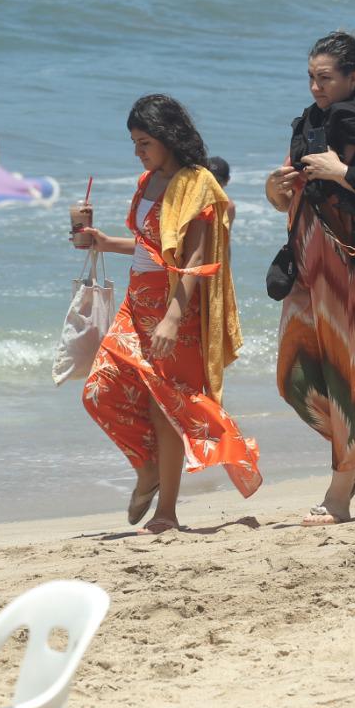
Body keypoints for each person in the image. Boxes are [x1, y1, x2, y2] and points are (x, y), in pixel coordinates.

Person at [76, 95, 262, 533]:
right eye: (135, 143)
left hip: (173, 304)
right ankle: (147, 472)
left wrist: (174, 316)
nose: (138, 152)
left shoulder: (195, 182)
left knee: (166, 407)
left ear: (168, 137)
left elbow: (196, 256)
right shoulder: (147, 181)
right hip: (135, 300)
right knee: (100, 391)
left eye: (144, 142)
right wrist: (102, 241)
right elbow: (150, 245)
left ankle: (167, 512)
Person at [266, 31, 355, 525]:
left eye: (324, 78)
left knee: (345, 385)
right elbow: (290, 200)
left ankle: (338, 497)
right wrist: (275, 188)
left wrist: (342, 171)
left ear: (354, 77)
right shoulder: (308, 125)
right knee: (292, 381)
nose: (314, 87)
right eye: (310, 77)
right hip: (310, 271)